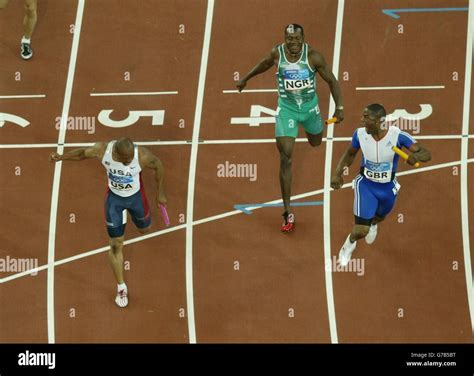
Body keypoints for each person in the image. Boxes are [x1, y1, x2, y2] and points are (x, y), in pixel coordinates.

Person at [237, 23, 344, 233]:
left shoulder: (313, 57)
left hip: (310, 109)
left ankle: (308, 129)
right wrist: (245, 78)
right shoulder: (277, 54)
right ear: (284, 40)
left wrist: (339, 107)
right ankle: (287, 210)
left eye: (297, 39)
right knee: (286, 157)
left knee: (315, 142)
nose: (293, 43)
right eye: (289, 39)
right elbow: (263, 64)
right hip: (286, 110)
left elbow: (332, 81)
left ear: (303, 39)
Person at [49, 138, 167, 308]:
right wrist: (61, 156)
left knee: (145, 229)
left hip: (136, 199)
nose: (128, 162)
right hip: (114, 201)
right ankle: (121, 286)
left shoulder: (141, 155)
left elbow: (158, 165)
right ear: (116, 153)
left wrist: (160, 192)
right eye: (125, 159)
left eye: (129, 159)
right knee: (115, 245)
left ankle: (129, 218)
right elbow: (82, 154)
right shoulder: (102, 150)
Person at [331, 104, 431, 266]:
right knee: (360, 230)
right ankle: (349, 244)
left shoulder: (397, 136)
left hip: (387, 188)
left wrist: (416, 157)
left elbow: (426, 153)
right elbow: (349, 154)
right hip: (366, 185)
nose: (361, 120)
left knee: (380, 216)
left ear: (379, 121)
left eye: (366, 117)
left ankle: (374, 224)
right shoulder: (360, 135)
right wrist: (337, 173)